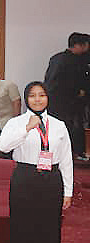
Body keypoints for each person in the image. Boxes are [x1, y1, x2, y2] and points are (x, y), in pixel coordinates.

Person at [0, 81, 74, 243]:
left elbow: (66, 159)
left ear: (48, 97)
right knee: (22, 228)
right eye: (32, 95)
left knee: (49, 230)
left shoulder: (58, 125)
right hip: (25, 178)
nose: (37, 99)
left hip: (52, 179)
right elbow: (3, 146)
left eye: (41, 95)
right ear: (26, 99)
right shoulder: (16, 122)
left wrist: (68, 191)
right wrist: (26, 129)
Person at [44, 32, 90, 161]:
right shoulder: (76, 61)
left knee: (54, 136)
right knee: (70, 134)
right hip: (69, 105)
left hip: (51, 103)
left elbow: (48, 80)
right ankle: (74, 157)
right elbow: (75, 84)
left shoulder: (55, 58)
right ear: (81, 45)